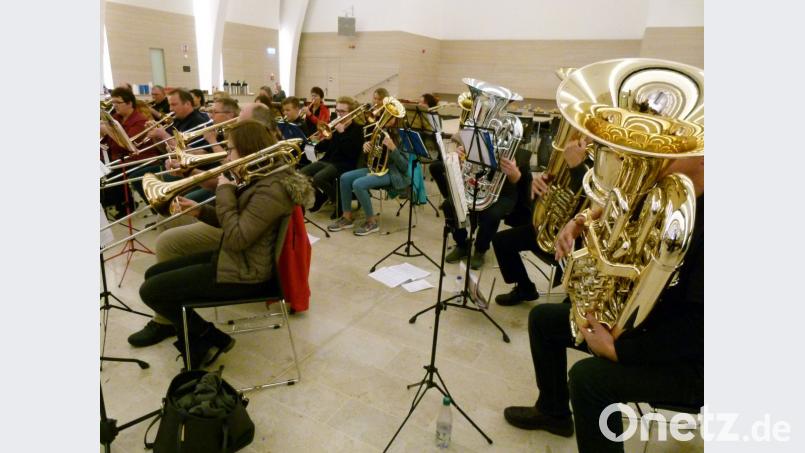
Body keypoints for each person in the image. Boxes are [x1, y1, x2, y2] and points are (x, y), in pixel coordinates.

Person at [503, 156, 704, 453]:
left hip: (686, 360)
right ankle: (553, 412)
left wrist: (618, 350)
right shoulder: (664, 197)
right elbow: (612, 210)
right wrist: (578, 222)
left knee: (588, 380)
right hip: (644, 328)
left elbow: (698, 330)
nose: (659, 157)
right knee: (543, 320)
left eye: (673, 152)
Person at [138, 120, 314, 368]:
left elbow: (237, 237)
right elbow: (236, 224)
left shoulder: (272, 189)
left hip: (248, 274)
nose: (226, 155)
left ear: (247, 149)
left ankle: (208, 338)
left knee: (151, 290)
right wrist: (200, 212)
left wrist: (225, 191)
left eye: (230, 149)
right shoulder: (260, 177)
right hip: (235, 259)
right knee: (152, 274)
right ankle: (200, 340)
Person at [491, 136, 590, 306]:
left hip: (579, 240)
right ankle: (525, 288)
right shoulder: (567, 154)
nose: (580, 136)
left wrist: (577, 167)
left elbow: (592, 201)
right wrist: (538, 185)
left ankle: (574, 301)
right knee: (502, 241)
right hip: (552, 229)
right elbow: (533, 203)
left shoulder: (600, 161)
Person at [327, 119, 409, 235]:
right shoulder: (379, 131)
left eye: (391, 116)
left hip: (393, 173)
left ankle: (371, 221)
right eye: (385, 114)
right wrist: (366, 147)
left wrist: (393, 149)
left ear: (397, 119)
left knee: (359, 184)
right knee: (345, 177)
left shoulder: (404, 137)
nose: (386, 118)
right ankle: (347, 217)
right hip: (376, 169)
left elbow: (404, 167)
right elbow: (372, 157)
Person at [300, 96, 363, 218]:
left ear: (350, 113)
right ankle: (322, 196)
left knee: (319, 178)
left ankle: (339, 202)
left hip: (344, 163)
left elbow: (350, 153)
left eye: (342, 111)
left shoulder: (357, 129)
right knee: (302, 174)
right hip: (329, 160)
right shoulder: (335, 125)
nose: (339, 114)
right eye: (337, 110)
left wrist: (342, 133)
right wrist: (320, 142)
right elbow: (327, 148)